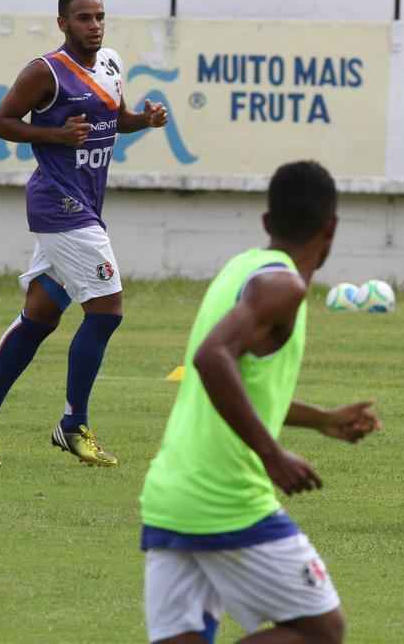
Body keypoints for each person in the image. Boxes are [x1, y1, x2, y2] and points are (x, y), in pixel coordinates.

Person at [139, 160, 380, 643]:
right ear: (331, 228)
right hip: (227, 499)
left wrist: (321, 420)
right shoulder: (283, 286)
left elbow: (235, 381)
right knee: (321, 631)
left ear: (267, 222)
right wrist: (272, 455)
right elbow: (212, 359)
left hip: (171, 495)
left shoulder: (240, 269)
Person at [0, 0, 168, 467]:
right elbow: (2, 123)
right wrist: (55, 134)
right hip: (60, 204)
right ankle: (72, 424)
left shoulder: (111, 63)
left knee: (40, 316)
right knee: (107, 310)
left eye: (99, 17)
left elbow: (113, 120)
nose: (94, 25)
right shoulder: (44, 71)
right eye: (83, 18)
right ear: (62, 23)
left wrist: (144, 120)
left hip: (85, 203)